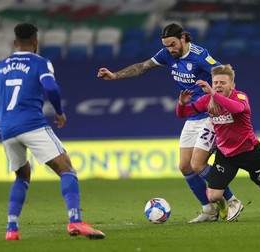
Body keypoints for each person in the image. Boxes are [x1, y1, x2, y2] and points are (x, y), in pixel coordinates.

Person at [0, 23, 105, 240]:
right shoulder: (40, 62)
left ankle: (12, 229)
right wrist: (59, 112)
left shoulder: (0, 67)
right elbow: (51, 87)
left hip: (7, 129)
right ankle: (75, 221)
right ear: (35, 42)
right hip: (31, 123)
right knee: (67, 169)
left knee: (22, 176)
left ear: (15, 43)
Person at [97, 23, 243, 222]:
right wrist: (115, 76)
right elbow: (143, 67)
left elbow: (222, 75)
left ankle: (233, 201)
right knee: (185, 167)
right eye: (166, 46)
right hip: (192, 116)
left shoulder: (200, 55)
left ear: (183, 38)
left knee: (198, 164)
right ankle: (209, 210)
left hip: (209, 116)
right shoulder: (167, 54)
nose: (170, 49)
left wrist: (216, 97)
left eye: (173, 44)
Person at [176, 64, 260, 221]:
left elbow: (237, 109)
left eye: (223, 83)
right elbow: (182, 114)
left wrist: (213, 94)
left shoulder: (240, 97)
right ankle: (228, 204)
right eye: (215, 82)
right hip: (226, 154)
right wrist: (182, 103)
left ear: (232, 85)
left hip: (249, 152)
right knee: (213, 196)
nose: (218, 85)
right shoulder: (207, 101)